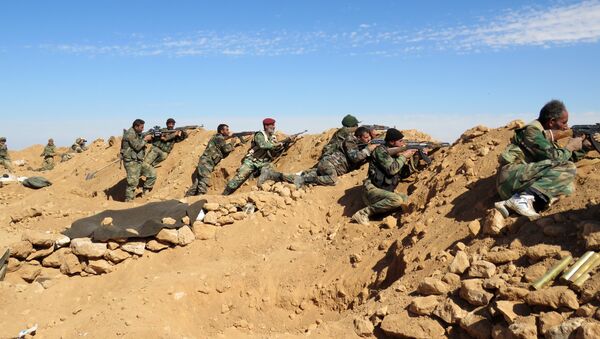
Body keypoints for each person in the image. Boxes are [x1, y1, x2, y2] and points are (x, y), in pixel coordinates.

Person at [495, 100, 596, 219]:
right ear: (552, 122)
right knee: (568, 168)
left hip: (519, 181)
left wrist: (585, 147)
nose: (566, 127)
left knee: (567, 186)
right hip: (510, 179)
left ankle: (518, 204)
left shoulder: (543, 137)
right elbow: (557, 159)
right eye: (564, 122)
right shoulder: (531, 132)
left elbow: (563, 160)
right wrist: (569, 147)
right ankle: (520, 200)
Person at [260, 126, 377, 187]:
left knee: (298, 177)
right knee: (332, 180)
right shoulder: (350, 141)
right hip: (329, 165)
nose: (369, 140)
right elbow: (355, 158)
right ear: (358, 137)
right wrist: (368, 149)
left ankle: (272, 175)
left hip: (329, 166)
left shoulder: (360, 142)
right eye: (366, 138)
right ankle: (304, 179)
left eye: (369, 138)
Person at [352, 128, 417, 225]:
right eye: (400, 141)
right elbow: (392, 170)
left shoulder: (395, 154)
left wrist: (416, 156)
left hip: (383, 190)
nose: (402, 143)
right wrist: (404, 156)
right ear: (391, 142)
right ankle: (362, 213)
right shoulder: (380, 151)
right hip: (371, 191)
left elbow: (404, 173)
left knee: (404, 199)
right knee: (396, 200)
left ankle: (381, 215)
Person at [223, 118, 296, 195]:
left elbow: (276, 149)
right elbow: (263, 145)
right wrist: (278, 144)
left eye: (274, 125)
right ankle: (225, 194)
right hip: (252, 161)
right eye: (272, 125)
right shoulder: (259, 134)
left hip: (264, 162)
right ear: (266, 126)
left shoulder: (272, 137)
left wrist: (287, 141)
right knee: (239, 177)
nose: (274, 127)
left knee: (271, 173)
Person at [185, 124, 239, 196]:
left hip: (205, 162)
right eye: (227, 130)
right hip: (206, 163)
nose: (228, 131)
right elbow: (226, 149)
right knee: (204, 182)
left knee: (198, 183)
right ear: (222, 131)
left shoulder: (217, 137)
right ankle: (200, 199)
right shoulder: (219, 138)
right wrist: (232, 142)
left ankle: (186, 198)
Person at [121, 119, 155, 202]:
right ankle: (128, 201)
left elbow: (141, 139)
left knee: (152, 173)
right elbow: (137, 146)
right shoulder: (130, 134)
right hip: (131, 162)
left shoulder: (136, 133)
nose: (143, 129)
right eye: (141, 127)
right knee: (132, 183)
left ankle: (145, 191)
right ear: (136, 126)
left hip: (138, 161)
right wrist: (146, 139)